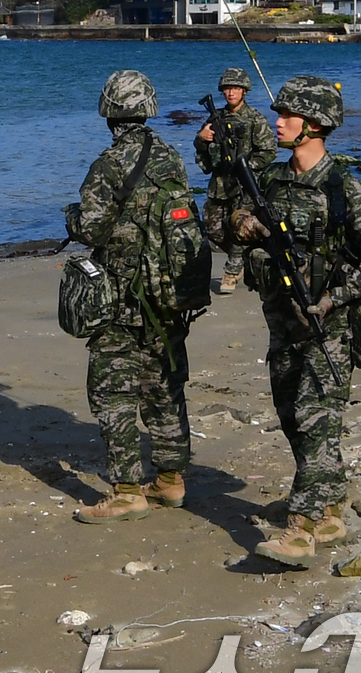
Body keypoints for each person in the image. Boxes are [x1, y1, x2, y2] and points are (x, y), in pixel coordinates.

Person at [231, 76, 361, 566]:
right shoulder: (272, 181)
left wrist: (331, 299)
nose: (278, 122)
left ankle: (300, 531)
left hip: (330, 330)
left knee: (316, 418)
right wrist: (243, 224)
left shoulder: (343, 188)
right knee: (292, 419)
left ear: (315, 125)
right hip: (282, 326)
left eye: (288, 115)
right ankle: (329, 509)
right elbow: (232, 222)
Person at [65, 71, 193, 523]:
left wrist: (71, 217)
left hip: (121, 297)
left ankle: (125, 491)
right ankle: (171, 479)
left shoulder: (109, 164)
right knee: (164, 384)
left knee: (111, 390)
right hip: (168, 293)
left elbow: (91, 228)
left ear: (109, 113)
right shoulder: (171, 157)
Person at [194, 67, 277, 293]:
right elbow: (202, 150)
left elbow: (269, 151)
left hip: (244, 184)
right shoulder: (216, 118)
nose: (231, 93)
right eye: (228, 89)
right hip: (220, 183)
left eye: (236, 88)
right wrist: (201, 138)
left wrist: (247, 167)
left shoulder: (255, 119)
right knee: (213, 228)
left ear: (244, 91)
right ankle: (243, 258)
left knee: (240, 226)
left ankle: (231, 271)